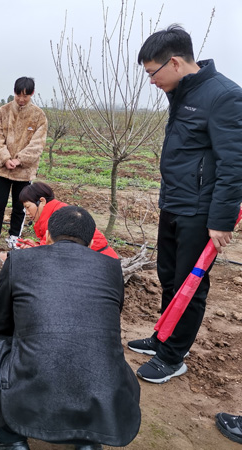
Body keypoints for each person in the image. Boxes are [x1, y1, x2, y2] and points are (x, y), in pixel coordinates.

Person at [127, 24, 242, 383]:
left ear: (174, 62)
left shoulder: (224, 96)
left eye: (153, 73)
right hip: (174, 202)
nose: (151, 81)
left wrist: (221, 220)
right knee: (168, 276)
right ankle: (164, 336)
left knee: (189, 285)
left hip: (200, 210)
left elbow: (234, 164)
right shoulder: (182, 91)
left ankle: (174, 355)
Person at [0, 206, 140, 450]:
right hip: (103, 392)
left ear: (47, 236)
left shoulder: (19, 260)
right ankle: (88, 441)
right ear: (90, 242)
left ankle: (10, 439)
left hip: (32, 382)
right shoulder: (111, 268)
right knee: (100, 352)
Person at [0, 77, 47, 249]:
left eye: (25, 96)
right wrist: (5, 158)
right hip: (2, 170)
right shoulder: (3, 111)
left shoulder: (38, 116)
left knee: (20, 206)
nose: (21, 99)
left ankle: (14, 236)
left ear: (32, 93)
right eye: (18, 95)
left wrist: (19, 159)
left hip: (24, 172)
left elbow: (38, 144)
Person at [17, 182, 118, 258]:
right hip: (98, 258)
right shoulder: (57, 211)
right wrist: (35, 245)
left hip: (99, 261)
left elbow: (52, 253)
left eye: (28, 207)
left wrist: (34, 250)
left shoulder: (58, 218)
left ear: (42, 201)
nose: (27, 212)